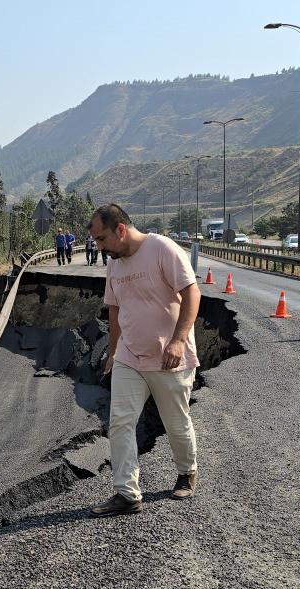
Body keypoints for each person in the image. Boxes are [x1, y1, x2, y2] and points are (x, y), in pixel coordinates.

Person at [87, 203, 201, 518]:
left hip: (169, 357)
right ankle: (127, 493)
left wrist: (178, 340)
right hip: (129, 357)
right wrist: (112, 352)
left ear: (120, 230)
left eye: (102, 239)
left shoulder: (163, 249)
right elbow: (114, 309)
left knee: (176, 422)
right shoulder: (114, 264)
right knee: (121, 421)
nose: (99, 247)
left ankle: (187, 472)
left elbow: (192, 294)